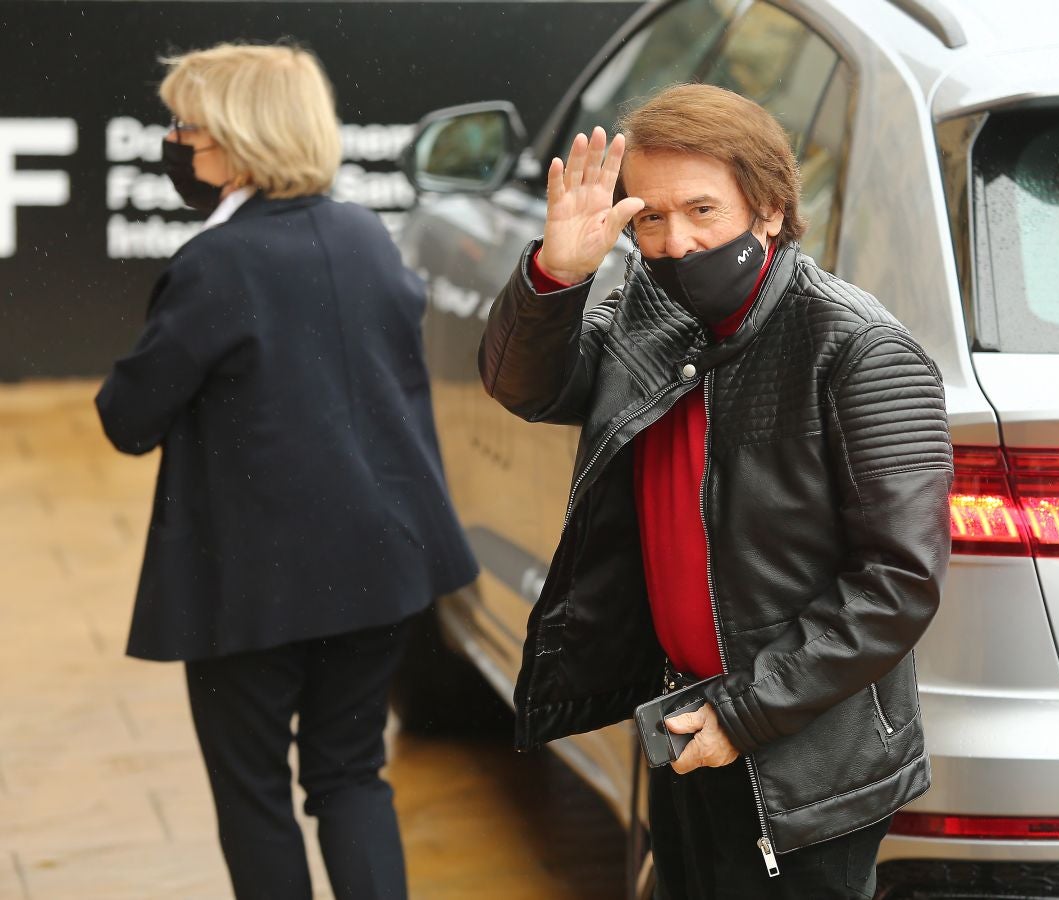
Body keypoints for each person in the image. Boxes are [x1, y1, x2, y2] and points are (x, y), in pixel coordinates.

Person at [480, 84, 952, 899]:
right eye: (650, 219)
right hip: (686, 722)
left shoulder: (856, 347)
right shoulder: (647, 314)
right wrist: (557, 273)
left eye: (703, 210)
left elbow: (897, 583)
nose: (676, 242)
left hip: (799, 757)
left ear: (768, 211)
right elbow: (526, 386)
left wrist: (747, 713)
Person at [95, 43, 477, 900]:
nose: (174, 145)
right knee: (350, 774)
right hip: (381, 566)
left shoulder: (214, 264)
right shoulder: (365, 237)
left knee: (254, 791)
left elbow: (128, 418)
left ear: (235, 141)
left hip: (253, 587)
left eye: (185, 129)